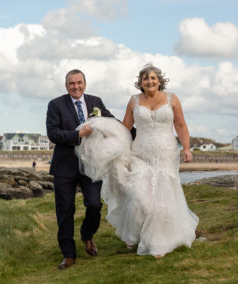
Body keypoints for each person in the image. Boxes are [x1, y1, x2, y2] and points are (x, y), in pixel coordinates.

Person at [75, 64, 199, 258]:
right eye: (145, 79)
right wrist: (104, 133)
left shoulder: (172, 99)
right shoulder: (134, 101)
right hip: (140, 154)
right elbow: (125, 127)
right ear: (140, 83)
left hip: (166, 154)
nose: (149, 81)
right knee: (139, 196)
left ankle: (157, 242)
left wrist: (187, 149)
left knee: (162, 199)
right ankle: (133, 233)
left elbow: (181, 125)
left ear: (159, 80)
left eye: (153, 78)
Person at [46, 69, 115, 269]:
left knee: (94, 204)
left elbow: (112, 123)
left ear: (85, 83)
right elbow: (53, 133)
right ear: (66, 86)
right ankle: (68, 253)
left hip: (92, 164)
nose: (75, 86)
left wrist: (134, 132)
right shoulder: (55, 105)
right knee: (65, 210)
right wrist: (78, 134)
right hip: (64, 165)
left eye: (79, 82)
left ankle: (87, 235)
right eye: (71, 83)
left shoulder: (96, 102)